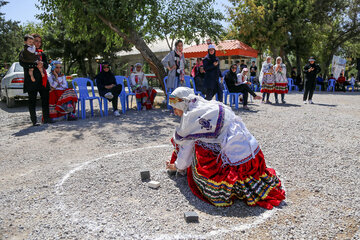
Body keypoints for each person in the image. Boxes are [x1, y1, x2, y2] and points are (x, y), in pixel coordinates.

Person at [165, 87, 286, 209]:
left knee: (196, 148)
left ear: (182, 104)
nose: (174, 112)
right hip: (253, 154)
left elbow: (186, 148)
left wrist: (177, 166)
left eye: (175, 108)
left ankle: (227, 186)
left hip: (238, 162)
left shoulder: (191, 117)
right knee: (200, 141)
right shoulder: (206, 105)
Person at [19, 33, 50, 126]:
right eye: (36, 41)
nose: (38, 43)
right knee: (32, 101)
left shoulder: (42, 53)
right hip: (31, 81)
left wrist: (42, 64)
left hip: (42, 80)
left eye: (40, 41)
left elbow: (46, 65)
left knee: (45, 100)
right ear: (31, 41)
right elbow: (22, 63)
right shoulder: (24, 52)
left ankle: (46, 119)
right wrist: (35, 65)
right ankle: (34, 121)